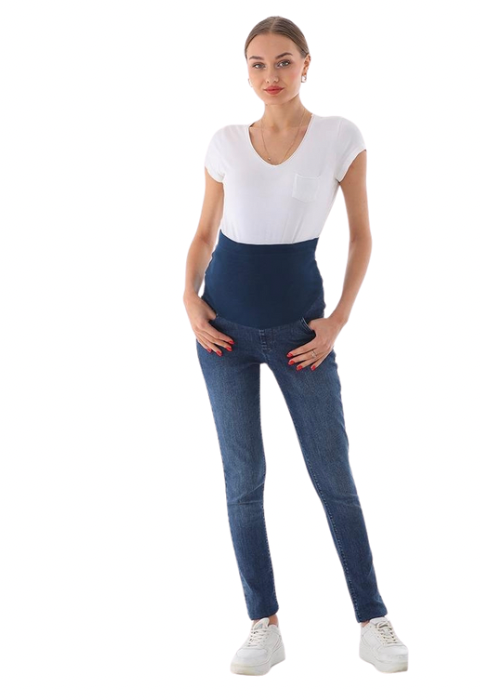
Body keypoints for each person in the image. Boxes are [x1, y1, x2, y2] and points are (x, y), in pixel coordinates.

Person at [184, 16, 408, 675]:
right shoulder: (225, 143)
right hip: (221, 333)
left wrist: (337, 321)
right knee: (243, 479)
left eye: (283, 61)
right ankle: (264, 623)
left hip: (300, 337)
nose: (271, 75)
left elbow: (362, 236)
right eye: (257, 64)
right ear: (246, 72)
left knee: (332, 475)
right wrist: (188, 299)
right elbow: (204, 235)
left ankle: (372, 620)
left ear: (306, 64)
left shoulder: (340, 137)